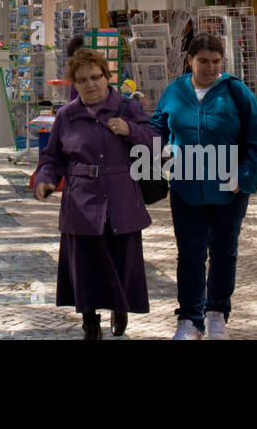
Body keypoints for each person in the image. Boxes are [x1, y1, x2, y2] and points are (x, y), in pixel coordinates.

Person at [150, 32, 257, 340]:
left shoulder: (237, 92)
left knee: (223, 252)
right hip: (186, 187)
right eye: (203, 61)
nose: (210, 68)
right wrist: (160, 160)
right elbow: (156, 129)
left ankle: (217, 312)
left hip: (228, 190)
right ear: (190, 60)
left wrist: (243, 179)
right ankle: (189, 319)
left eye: (216, 61)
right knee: (189, 254)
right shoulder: (174, 92)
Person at [35, 48, 155, 339]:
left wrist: (129, 130)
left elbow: (155, 142)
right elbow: (51, 158)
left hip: (121, 197)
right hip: (81, 200)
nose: (90, 84)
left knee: (121, 258)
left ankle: (120, 307)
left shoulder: (128, 108)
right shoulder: (66, 116)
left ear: (107, 76)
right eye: (82, 79)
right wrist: (45, 179)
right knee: (86, 263)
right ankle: (90, 320)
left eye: (95, 77)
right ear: (74, 84)